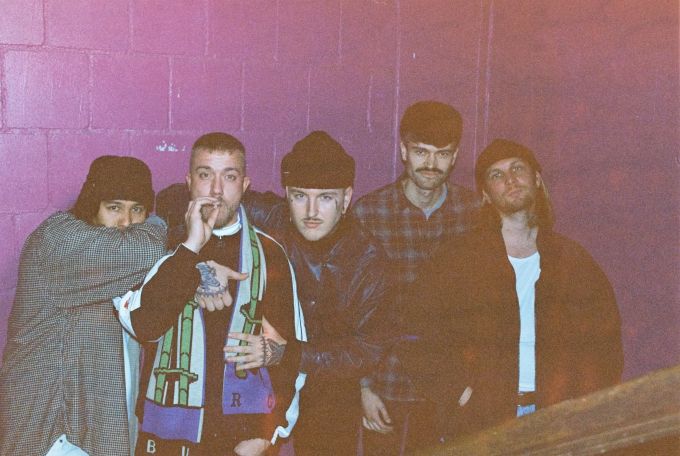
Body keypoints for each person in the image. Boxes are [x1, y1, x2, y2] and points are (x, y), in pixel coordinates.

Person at [404, 138, 624, 440]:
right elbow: (417, 333)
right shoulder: (460, 260)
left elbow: (605, 341)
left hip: (555, 423)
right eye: (496, 174)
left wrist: (581, 402)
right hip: (482, 423)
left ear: (537, 179)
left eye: (517, 168)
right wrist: (460, 393)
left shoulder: (571, 261)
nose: (509, 179)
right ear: (485, 194)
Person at [114, 132, 306, 456]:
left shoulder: (270, 254)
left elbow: (294, 351)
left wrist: (271, 433)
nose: (216, 190)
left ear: (244, 185)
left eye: (229, 176)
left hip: (244, 439)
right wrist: (190, 252)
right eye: (205, 175)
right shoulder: (164, 245)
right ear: (190, 182)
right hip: (169, 438)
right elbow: (142, 325)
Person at [238, 131, 395, 455]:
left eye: (325, 197)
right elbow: (197, 198)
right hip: (267, 375)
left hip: (330, 386)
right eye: (300, 196)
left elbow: (366, 349)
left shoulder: (367, 258)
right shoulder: (273, 218)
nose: (311, 211)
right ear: (286, 194)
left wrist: (291, 354)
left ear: (346, 198)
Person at [0, 156, 167, 456]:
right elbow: (149, 250)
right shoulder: (60, 240)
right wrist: (164, 222)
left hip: (89, 430)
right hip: (52, 432)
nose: (126, 222)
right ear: (93, 204)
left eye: (137, 209)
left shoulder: (113, 255)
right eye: (114, 207)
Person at [351, 100, 479, 453]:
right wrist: (362, 387)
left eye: (442, 154)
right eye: (421, 152)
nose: (431, 164)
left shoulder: (473, 212)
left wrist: (473, 383)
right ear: (404, 150)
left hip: (449, 384)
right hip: (385, 381)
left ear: (455, 156)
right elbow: (352, 307)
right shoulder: (370, 213)